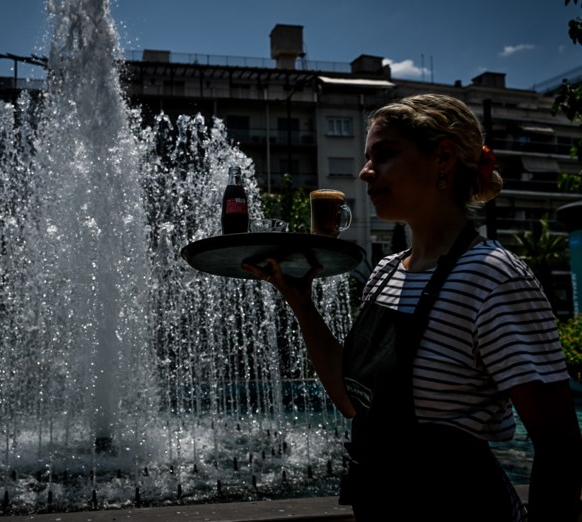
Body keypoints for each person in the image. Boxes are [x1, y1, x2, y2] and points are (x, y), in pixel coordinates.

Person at [243, 94, 582, 521]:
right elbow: (355, 403)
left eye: (383, 155)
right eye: (367, 158)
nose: (365, 173)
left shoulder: (494, 277)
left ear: (442, 158)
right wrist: (300, 302)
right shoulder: (385, 272)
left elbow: (560, 448)